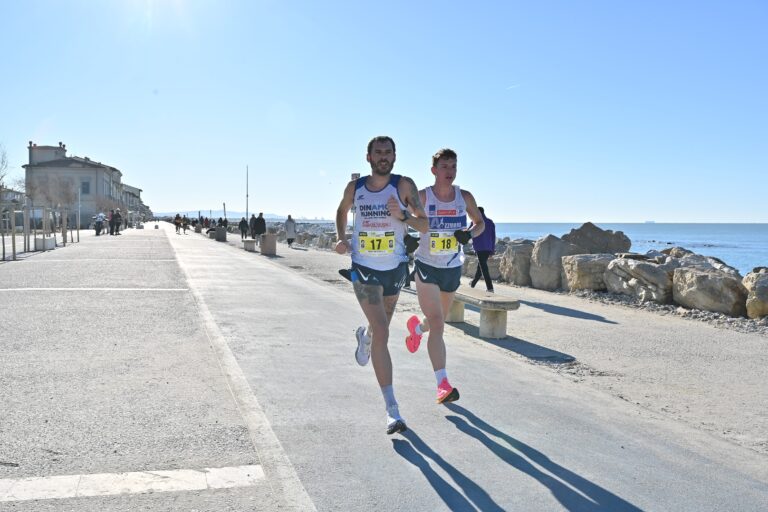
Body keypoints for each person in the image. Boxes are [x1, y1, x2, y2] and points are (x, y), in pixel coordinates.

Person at [335, 135, 428, 435]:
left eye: (388, 152)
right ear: (369, 157)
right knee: (385, 331)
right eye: (378, 153)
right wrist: (342, 237)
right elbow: (341, 211)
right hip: (364, 269)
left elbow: (424, 224)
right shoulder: (356, 188)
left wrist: (401, 215)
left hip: (395, 269)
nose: (383, 157)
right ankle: (392, 410)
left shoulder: (404, 186)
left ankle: (365, 336)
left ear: (395, 156)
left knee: (379, 329)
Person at [404, 148, 485, 405]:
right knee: (438, 322)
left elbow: (480, 223)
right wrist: (406, 238)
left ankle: (416, 328)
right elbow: (399, 217)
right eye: (445, 167)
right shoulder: (422, 197)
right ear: (434, 170)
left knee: (436, 322)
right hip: (427, 265)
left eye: (453, 167)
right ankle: (442, 384)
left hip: (452, 267)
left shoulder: (464, 197)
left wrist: (469, 234)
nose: (449, 171)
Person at [470, 207, 496, 292]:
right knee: (481, 266)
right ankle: (473, 283)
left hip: (479, 247)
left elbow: (468, 233)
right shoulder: (490, 222)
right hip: (488, 248)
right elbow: (493, 237)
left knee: (483, 267)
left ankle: (490, 287)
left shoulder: (474, 222)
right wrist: (492, 250)